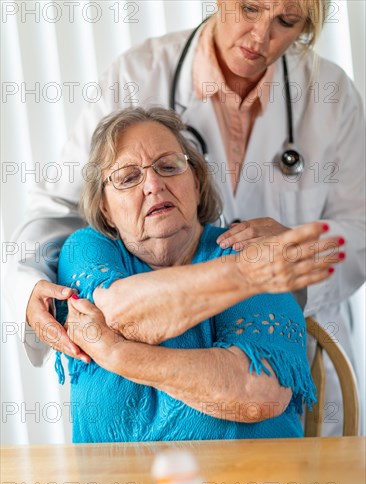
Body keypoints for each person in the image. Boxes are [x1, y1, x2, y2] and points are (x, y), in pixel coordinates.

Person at [7, 0, 365, 436]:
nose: (260, 36)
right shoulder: (137, 76)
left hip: (284, 348)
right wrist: (25, 289)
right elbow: (59, 208)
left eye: (286, 22)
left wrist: (295, 251)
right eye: (250, 9)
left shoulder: (329, 93)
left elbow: (359, 227)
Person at [55, 106, 343, 442]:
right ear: (105, 207)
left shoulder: (248, 249)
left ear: (196, 179)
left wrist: (119, 354)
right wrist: (244, 275)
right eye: (128, 177)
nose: (153, 185)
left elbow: (257, 393)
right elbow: (118, 312)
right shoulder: (87, 250)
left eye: (168, 166)